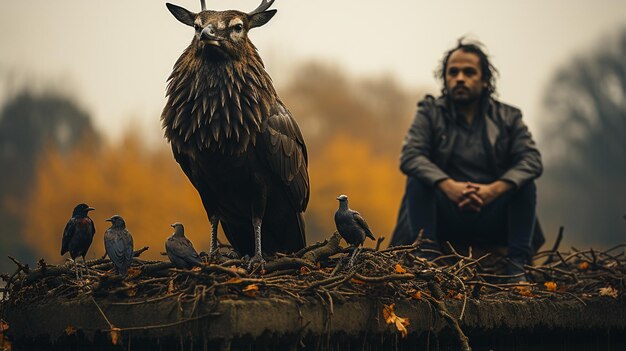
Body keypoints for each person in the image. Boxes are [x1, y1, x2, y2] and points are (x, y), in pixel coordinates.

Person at [389, 38, 544, 276]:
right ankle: (426, 261)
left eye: (469, 72)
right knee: (417, 178)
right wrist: (450, 186)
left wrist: (492, 191)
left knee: (524, 183)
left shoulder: (508, 117)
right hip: (445, 212)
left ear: (484, 81)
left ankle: (516, 267)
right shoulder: (430, 113)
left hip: (493, 214)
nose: (460, 78)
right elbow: (411, 155)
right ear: (445, 79)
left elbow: (531, 160)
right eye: (453, 72)